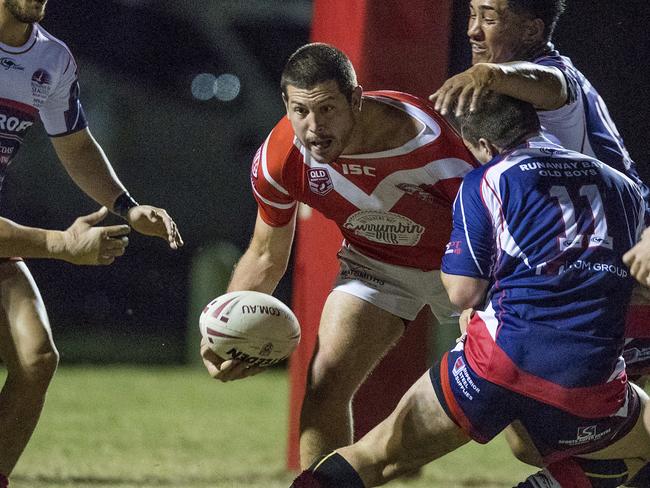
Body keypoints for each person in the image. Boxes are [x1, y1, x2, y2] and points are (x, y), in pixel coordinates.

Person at [290, 93, 650, 488]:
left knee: (378, 457)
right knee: (632, 451)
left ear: (485, 146)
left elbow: (462, 293)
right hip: (583, 379)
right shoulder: (622, 186)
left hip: (492, 363)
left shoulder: (486, 179)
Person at [200, 42, 478, 468]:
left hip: (462, 268)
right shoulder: (281, 158)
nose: (313, 127)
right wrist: (223, 333)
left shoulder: (434, 147)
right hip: (374, 265)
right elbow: (265, 253)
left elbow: (494, 236)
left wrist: (481, 305)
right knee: (325, 382)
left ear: (356, 99)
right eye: (301, 111)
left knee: (517, 420)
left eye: (328, 109)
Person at [0, 0, 183, 485]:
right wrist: (62, 245)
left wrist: (127, 206)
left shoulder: (51, 59)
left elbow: (76, 145)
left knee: (34, 357)